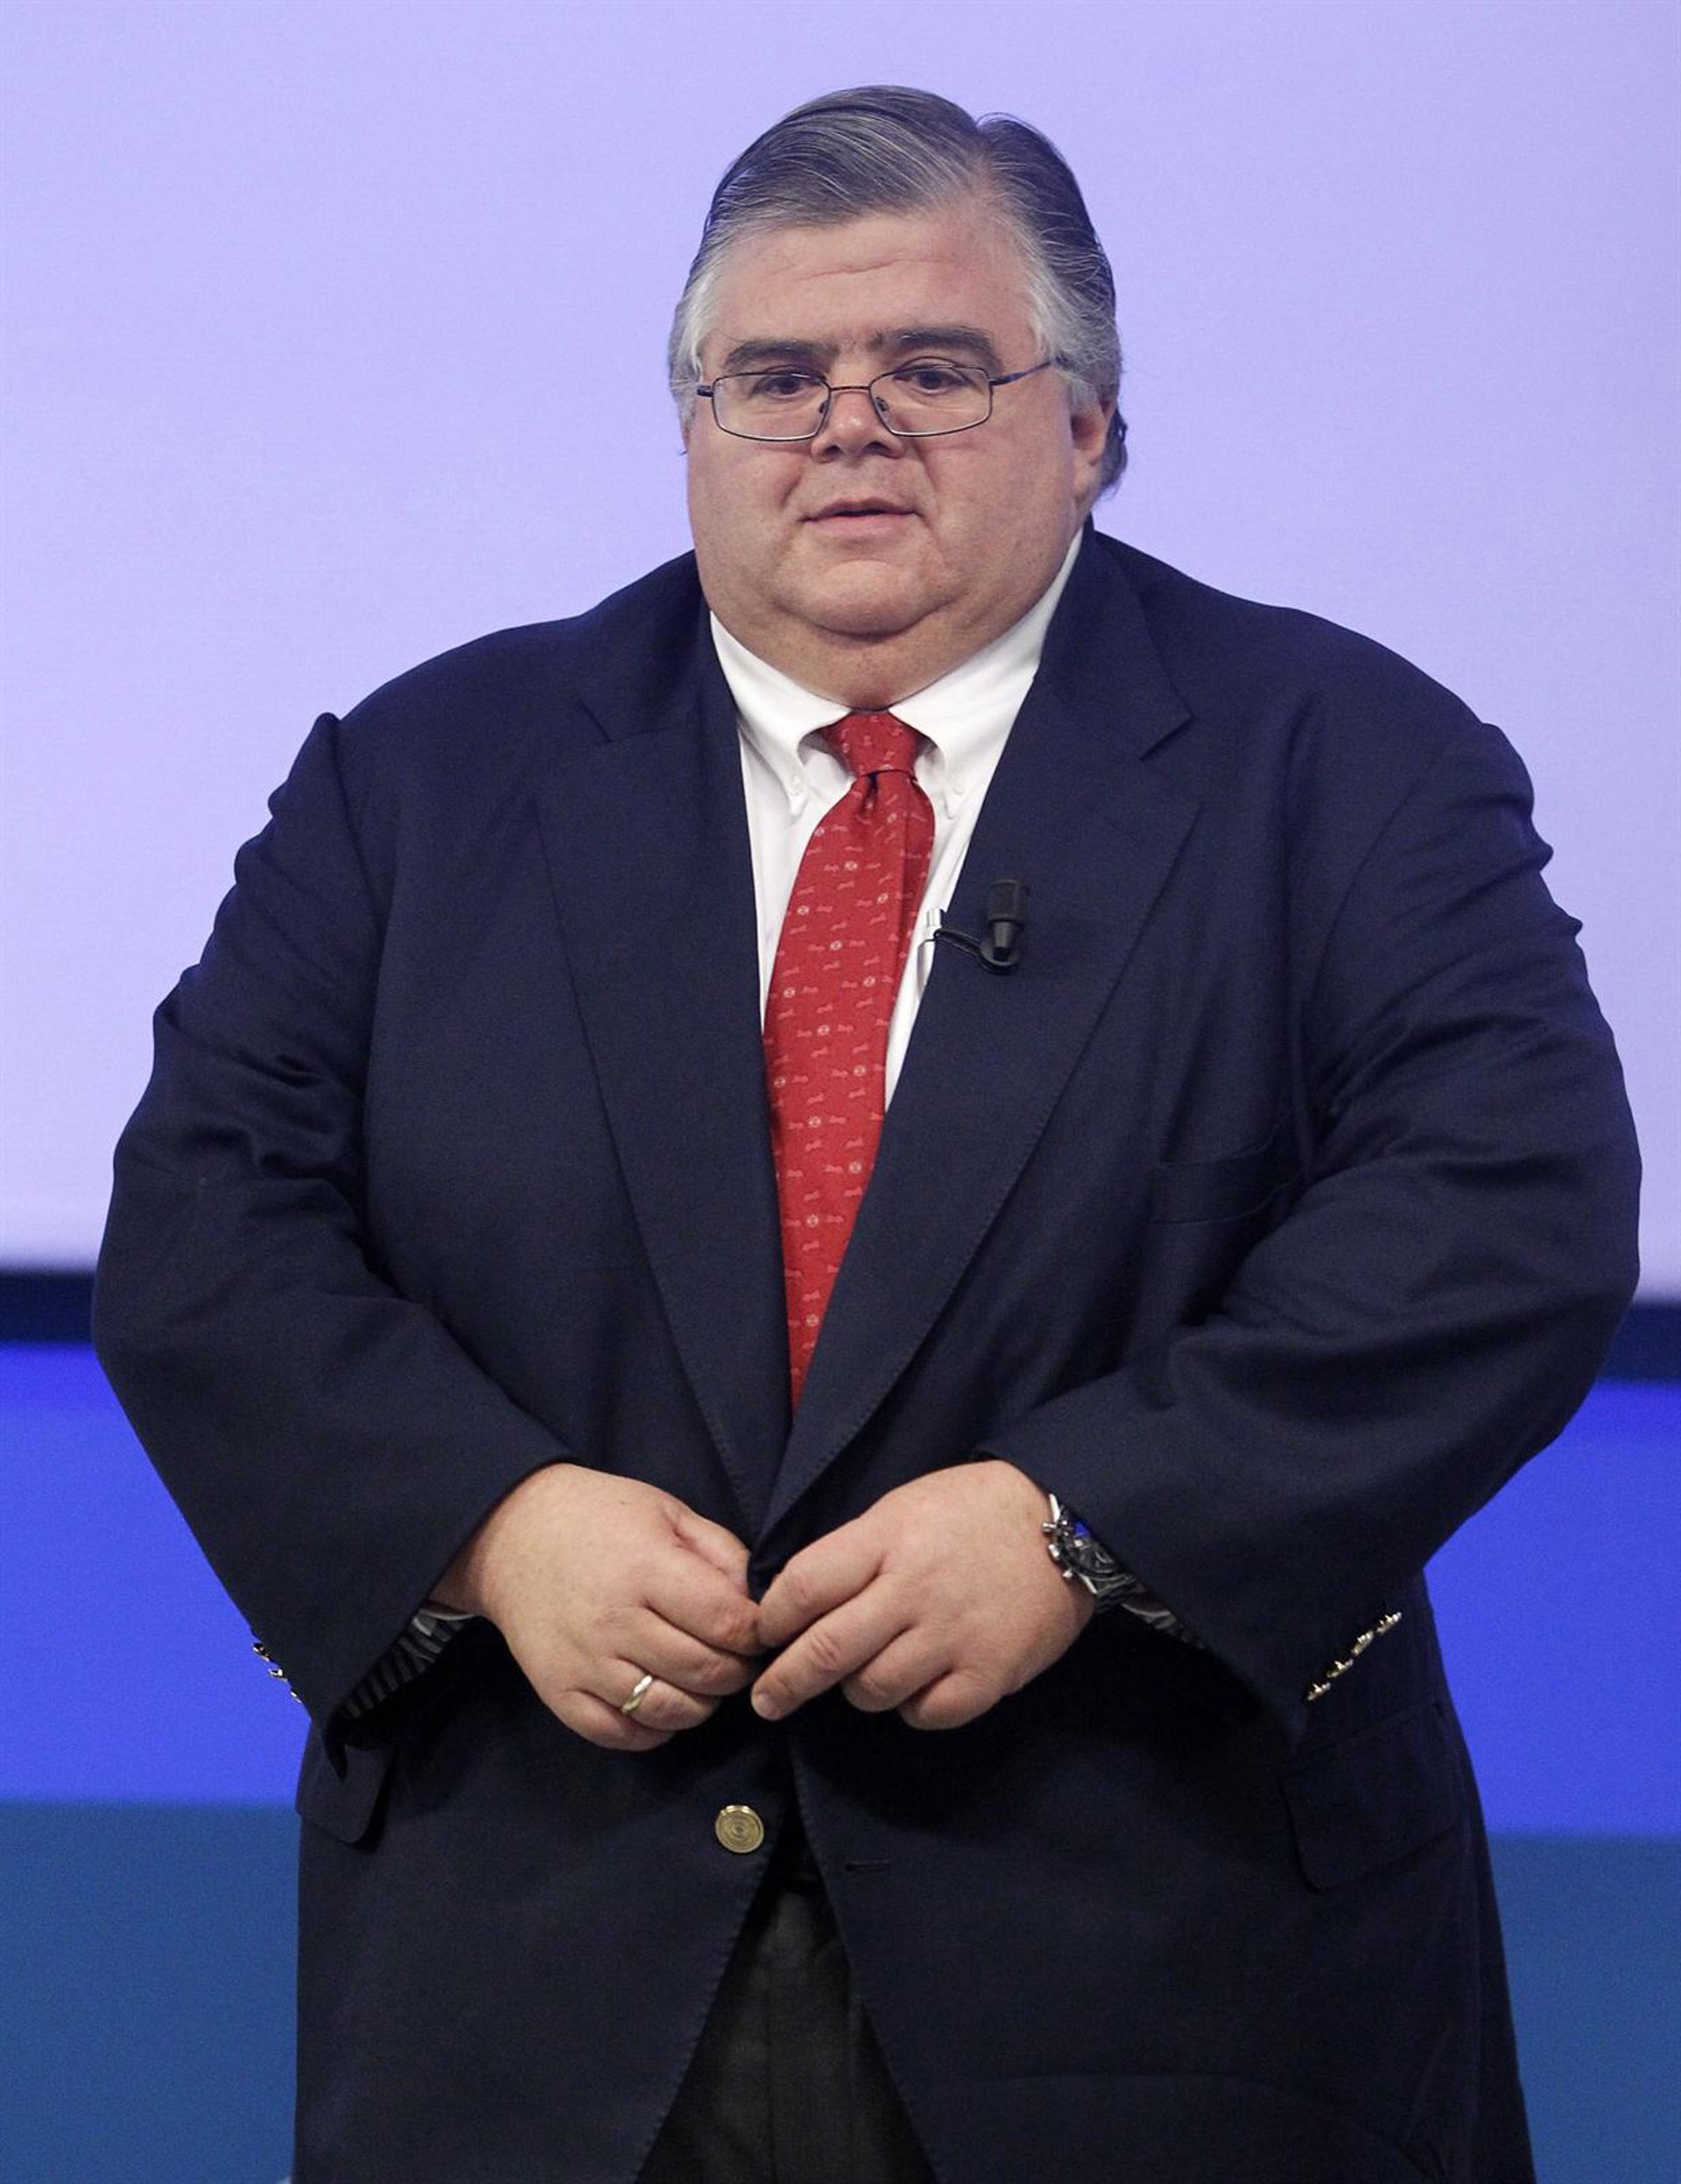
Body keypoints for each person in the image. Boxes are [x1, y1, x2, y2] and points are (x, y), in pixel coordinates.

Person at [95, 85, 1639, 2184]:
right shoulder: (419, 782)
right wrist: (490, 1522)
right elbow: (207, 1228)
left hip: (1167, 1976)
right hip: (539, 1986)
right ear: (692, 424)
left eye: (933, 368)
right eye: (777, 375)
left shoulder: (1348, 764)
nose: (851, 427)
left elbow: (1510, 1207)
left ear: (1087, 422)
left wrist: (1092, 1519)